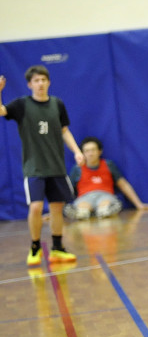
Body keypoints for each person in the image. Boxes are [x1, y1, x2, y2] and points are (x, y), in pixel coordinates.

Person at [0, 66, 84, 266]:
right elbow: (2, 111)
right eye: (36, 80)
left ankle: (57, 248)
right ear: (29, 84)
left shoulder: (57, 104)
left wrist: (76, 151)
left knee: (57, 207)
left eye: (43, 80)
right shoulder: (22, 105)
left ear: (49, 82)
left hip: (55, 165)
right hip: (34, 167)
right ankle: (35, 247)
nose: (40, 84)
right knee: (36, 207)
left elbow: (64, 130)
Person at [65, 136, 148, 219]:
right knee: (82, 212)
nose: (90, 153)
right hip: (85, 198)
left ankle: (103, 212)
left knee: (104, 210)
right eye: (87, 151)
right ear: (82, 153)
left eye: (93, 150)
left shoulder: (109, 165)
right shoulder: (77, 169)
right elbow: (68, 189)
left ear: (100, 151)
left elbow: (123, 184)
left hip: (105, 196)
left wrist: (139, 204)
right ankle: (84, 213)